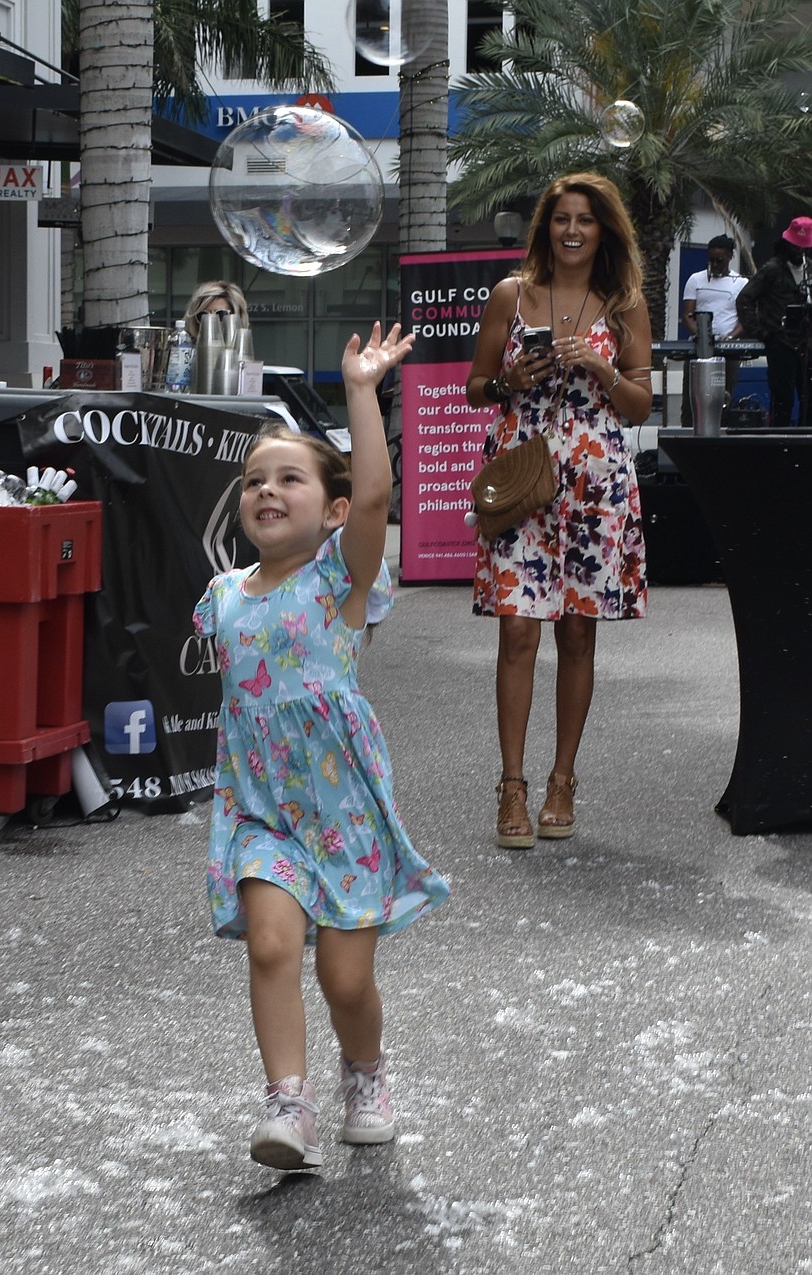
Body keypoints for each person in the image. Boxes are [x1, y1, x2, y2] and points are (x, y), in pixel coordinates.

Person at [193, 322, 450, 1173]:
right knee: (270, 945)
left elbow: (377, 495)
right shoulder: (221, 594)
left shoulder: (339, 582)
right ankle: (287, 1104)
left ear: (332, 511)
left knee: (345, 981)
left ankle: (365, 1074)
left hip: (342, 813)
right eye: (253, 481)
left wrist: (362, 391)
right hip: (262, 812)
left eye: (289, 478)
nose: (267, 491)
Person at [465, 172, 652, 849]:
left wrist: (602, 370)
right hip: (524, 480)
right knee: (518, 630)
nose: (572, 230)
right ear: (546, 226)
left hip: (596, 486)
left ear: (604, 230)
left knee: (577, 633)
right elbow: (474, 387)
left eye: (586, 219)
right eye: (561, 218)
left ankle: (562, 778)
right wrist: (508, 381)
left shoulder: (625, 303)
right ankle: (511, 785)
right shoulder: (511, 296)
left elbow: (639, 404)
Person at [735, 217, 812, 429]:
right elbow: (745, 299)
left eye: (803, 248)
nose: (800, 253)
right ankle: (780, 445)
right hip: (780, 342)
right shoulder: (773, 269)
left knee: (808, 399)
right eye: (796, 247)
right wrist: (760, 332)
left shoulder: (809, 269)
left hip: (806, 343)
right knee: (782, 400)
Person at [680, 234, 747, 427]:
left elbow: (745, 320)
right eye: (711, 260)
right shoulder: (696, 280)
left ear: (730, 257)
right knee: (691, 399)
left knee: (724, 398)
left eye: (720, 261)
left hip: (728, 349)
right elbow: (687, 315)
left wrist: (731, 337)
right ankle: (688, 439)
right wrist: (700, 334)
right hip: (699, 347)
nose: (715, 265)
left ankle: (720, 439)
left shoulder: (740, 283)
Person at [183, 279, 249, 343]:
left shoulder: (243, 352)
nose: (212, 321)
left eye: (220, 314)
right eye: (204, 316)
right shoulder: (186, 351)